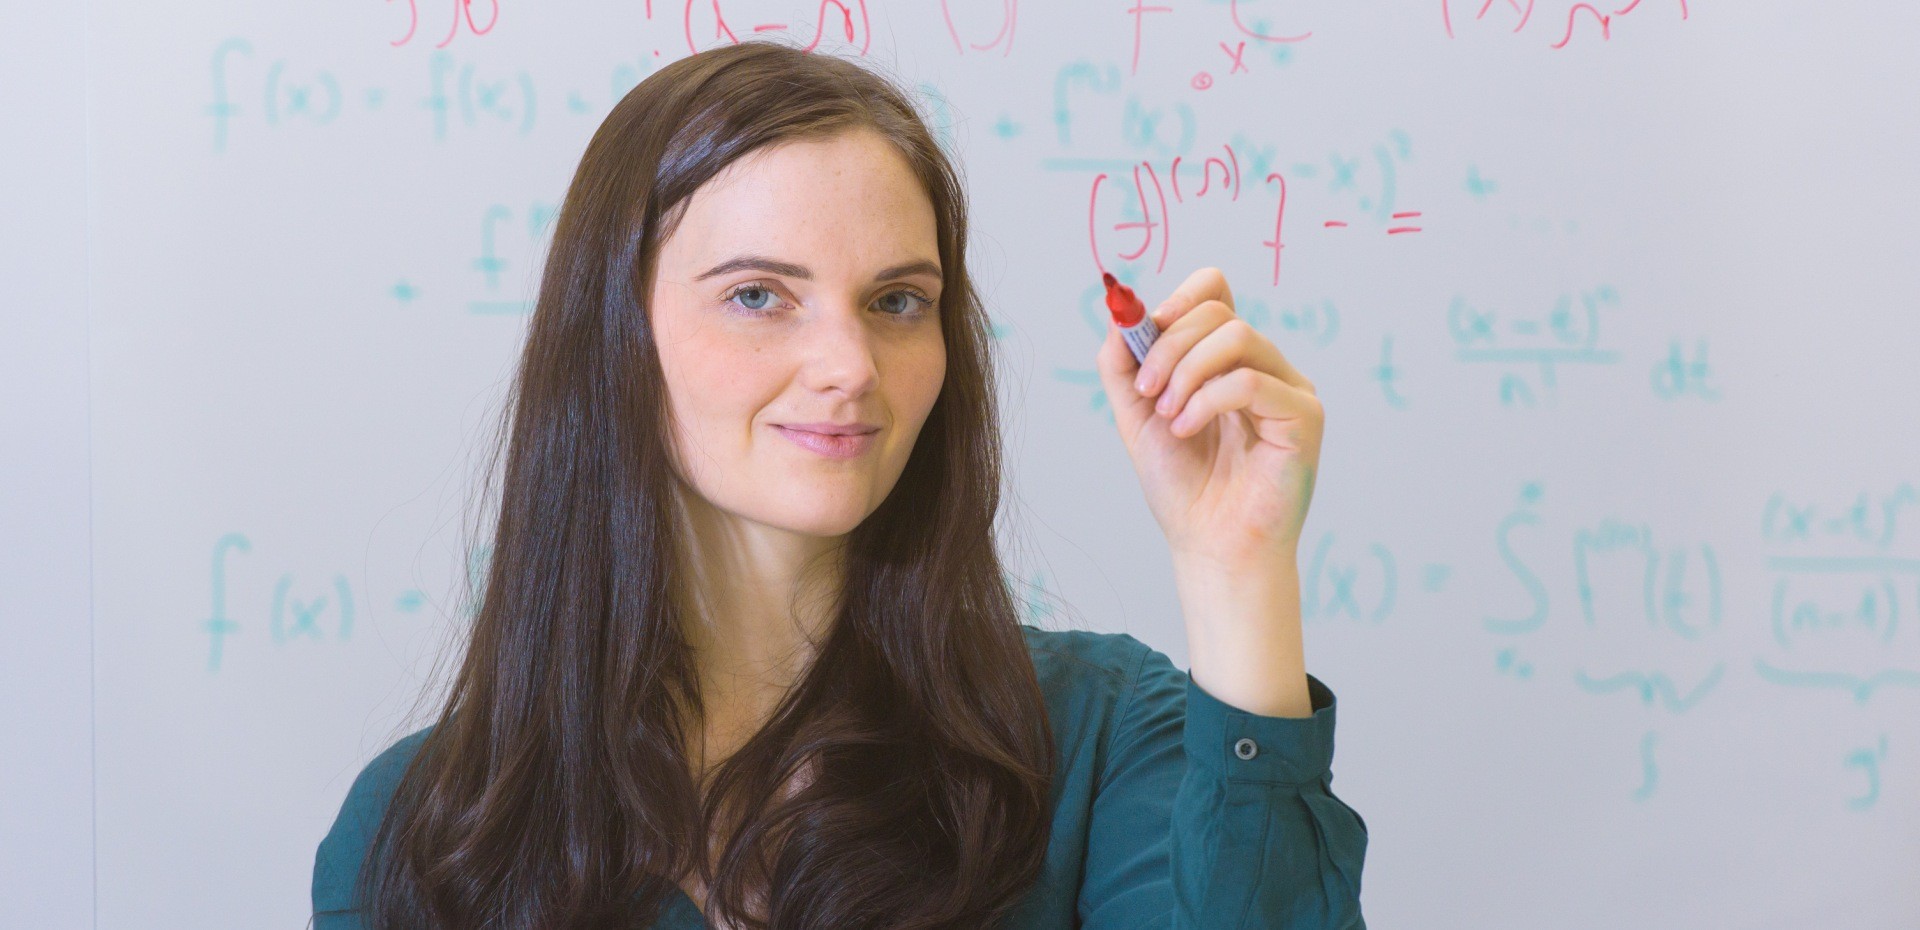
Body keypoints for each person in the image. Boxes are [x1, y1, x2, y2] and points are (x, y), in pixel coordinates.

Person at [311, 37, 1366, 930]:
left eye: (898, 302)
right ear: (615, 336)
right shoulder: (422, 828)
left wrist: (1238, 570)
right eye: (760, 294)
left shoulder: (1102, 735)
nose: (851, 369)